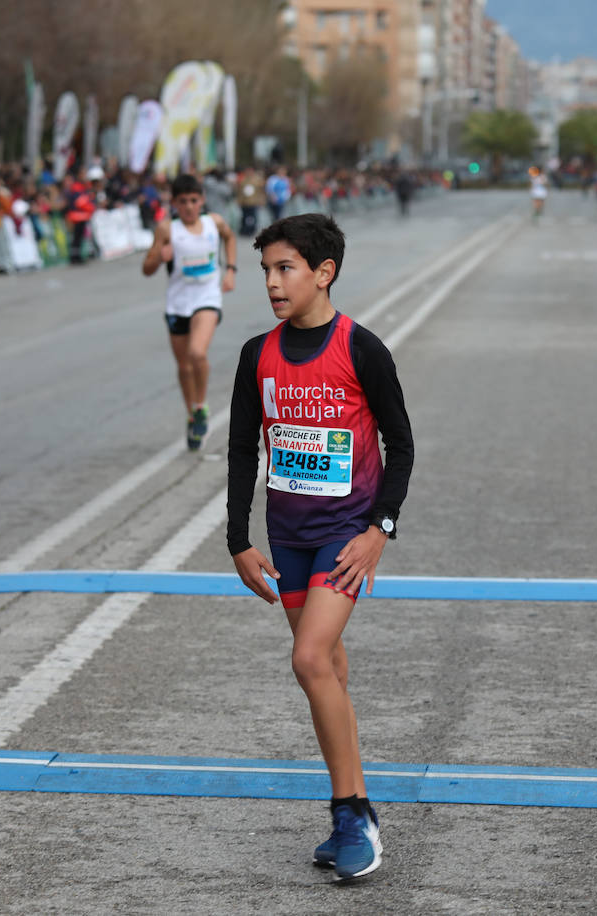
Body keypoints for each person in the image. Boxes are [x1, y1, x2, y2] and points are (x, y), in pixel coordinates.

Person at [227, 213, 413, 882]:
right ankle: (354, 809)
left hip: (345, 536)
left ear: (323, 272)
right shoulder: (257, 354)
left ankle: (351, 813)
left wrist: (379, 529)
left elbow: (403, 445)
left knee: (307, 659)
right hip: (289, 539)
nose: (273, 283)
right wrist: (237, 540)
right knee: (328, 667)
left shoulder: (361, 349)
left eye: (286, 269)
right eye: (266, 271)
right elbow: (243, 447)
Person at [141, 173, 238, 450]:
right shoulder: (166, 230)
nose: (189, 207)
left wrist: (230, 270)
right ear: (174, 203)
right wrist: (159, 256)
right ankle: (191, 413)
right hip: (178, 303)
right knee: (184, 365)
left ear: (202, 200)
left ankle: (201, 405)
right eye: (182, 201)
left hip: (207, 297)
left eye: (194, 200)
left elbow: (229, 238)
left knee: (197, 352)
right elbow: (146, 270)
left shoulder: (214, 222)